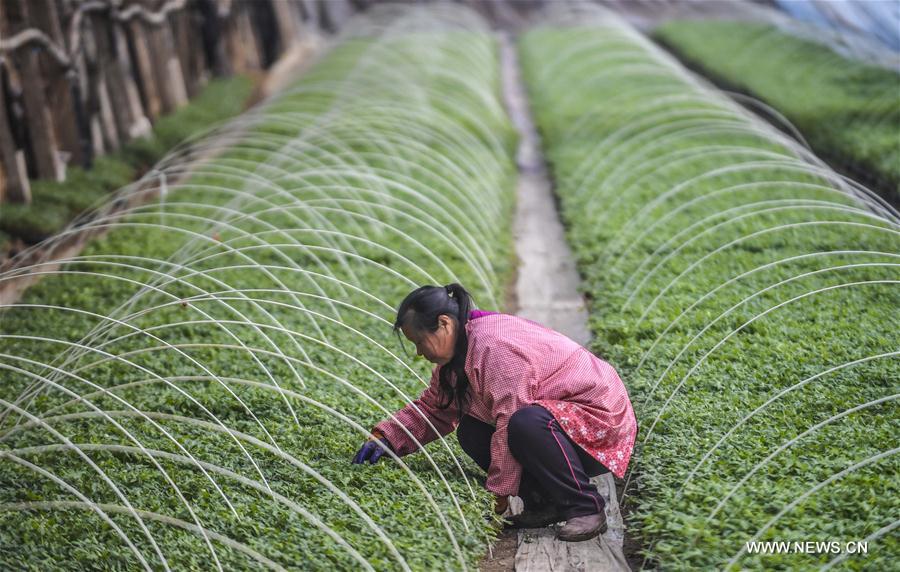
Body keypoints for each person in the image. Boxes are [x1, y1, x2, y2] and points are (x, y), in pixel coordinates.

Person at [351, 283, 638, 542]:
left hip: (599, 421)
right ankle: (544, 501)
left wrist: (499, 490)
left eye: (419, 342)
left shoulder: (493, 347)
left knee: (525, 422)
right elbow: (434, 408)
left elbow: (511, 417)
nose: (418, 352)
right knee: (472, 430)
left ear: (444, 323)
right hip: (560, 425)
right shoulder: (460, 354)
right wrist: (387, 437)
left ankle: (586, 507)